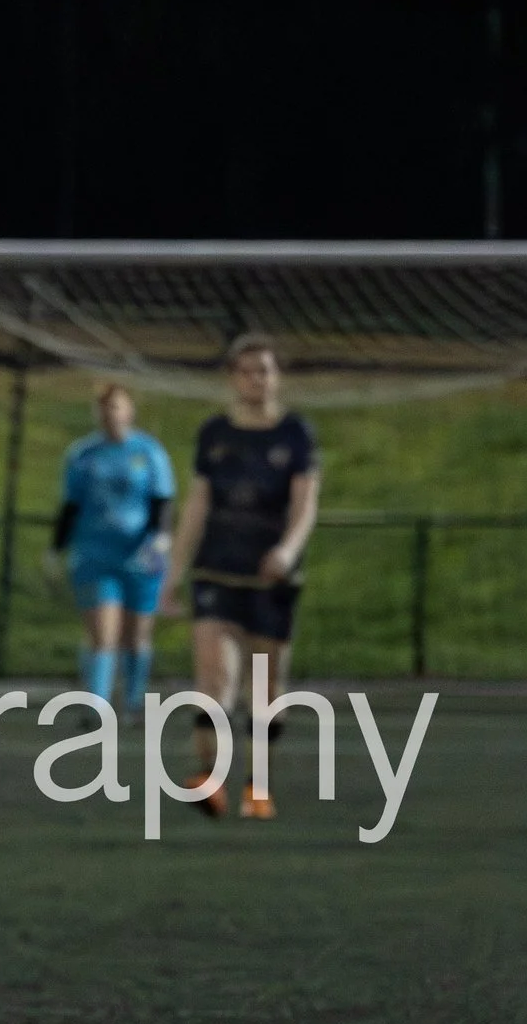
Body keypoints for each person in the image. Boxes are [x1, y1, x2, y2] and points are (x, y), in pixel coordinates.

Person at [160, 333, 322, 819]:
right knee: (216, 678)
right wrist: (173, 572)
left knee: (267, 690)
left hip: (269, 579)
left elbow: (305, 504)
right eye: (247, 371)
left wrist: (287, 550)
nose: (256, 380)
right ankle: (208, 780)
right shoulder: (214, 434)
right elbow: (198, 504)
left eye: (265, 371)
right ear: (233, 378)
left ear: (277, 377)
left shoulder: (295, 434)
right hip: (217, 570)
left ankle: (258, 787)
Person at [48, 382, 173, 716]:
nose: (110, 414)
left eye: (116, 406)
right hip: (95, 556)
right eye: (103, 407)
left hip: (141, 557)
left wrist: (160, 539)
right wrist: (55, 549)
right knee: (103, 634)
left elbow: (161, 501)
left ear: (130, 410)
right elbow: (70, 506)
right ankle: (96, 705)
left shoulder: (148, 453)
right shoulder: (83, 455)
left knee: (136, 636)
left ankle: (133, 702)